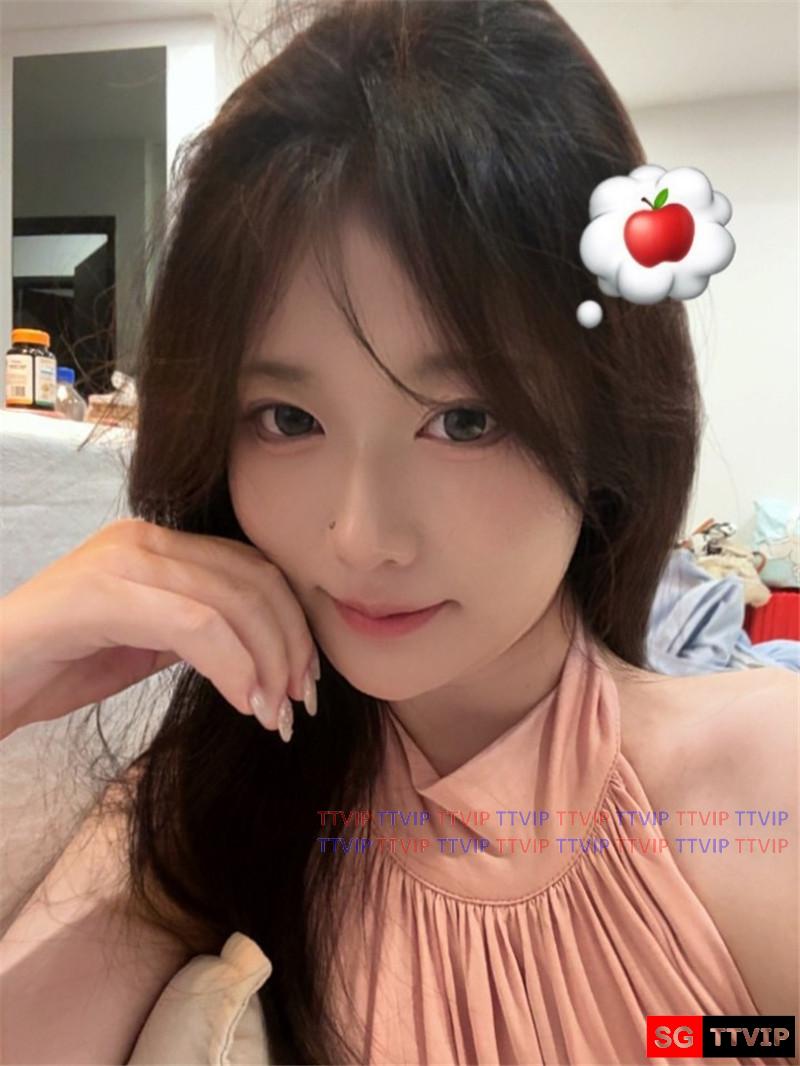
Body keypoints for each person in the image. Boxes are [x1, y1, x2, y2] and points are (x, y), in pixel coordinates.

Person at [0, 0, 797, 1063]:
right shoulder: (214, 807)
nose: (360, 537)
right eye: (288, 419)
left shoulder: (757, 787)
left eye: (464, 420)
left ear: (606, 420)